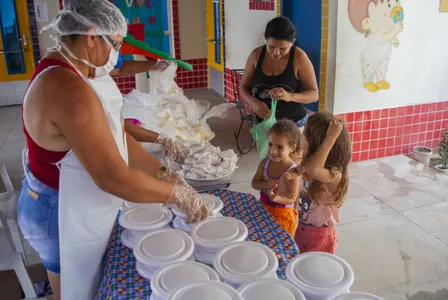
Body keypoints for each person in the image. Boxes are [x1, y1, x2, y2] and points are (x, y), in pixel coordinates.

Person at [17, 1, 210, 299]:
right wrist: (175, 194)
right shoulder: (67, 88)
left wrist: (164, 173)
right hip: (57, 207)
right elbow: (114, 178)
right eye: (116, 44)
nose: (117, 55)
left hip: (69, 200)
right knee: (71, 288)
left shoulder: (77, 71)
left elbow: (115, 136)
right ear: (92, 37)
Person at [239, 16, 319, 131]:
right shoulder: (256, 56)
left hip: (293, 125)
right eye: (271, 47)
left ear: (292, 42)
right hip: (263, 123)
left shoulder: (299, 58)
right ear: (265, 40)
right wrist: (253, 103)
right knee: (265, 149)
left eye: (283, 49)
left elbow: (313, 95)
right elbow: (243, 87)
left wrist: (289, 96)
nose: (276, 53)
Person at [292, 112, 351, 254]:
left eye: (305, 133)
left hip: (321, 237)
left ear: (317, 143)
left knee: (315, 272)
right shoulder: (307, 163)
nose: (301, 135)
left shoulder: (334, 174)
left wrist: (330, 138)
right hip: (300, 227)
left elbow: (314, 170)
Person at [251, 120, 301, 237]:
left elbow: (292, 199)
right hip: (263, 211)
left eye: (280, 147)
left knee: (280, 248)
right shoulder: (265, 163)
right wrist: (265, 184)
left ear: (292, 148)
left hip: (283, 217)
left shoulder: (293, 171)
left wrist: (274, 198)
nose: (273, 151)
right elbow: (254, 183)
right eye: (270, 144)